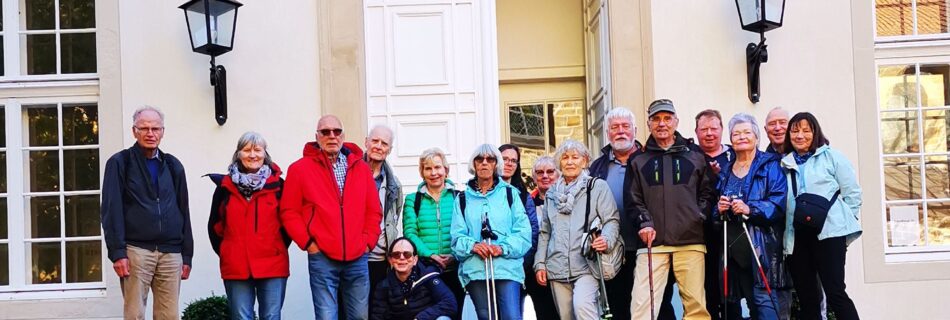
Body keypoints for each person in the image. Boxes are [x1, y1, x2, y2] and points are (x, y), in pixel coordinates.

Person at [279, 115, 383, 320]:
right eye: (325, 132)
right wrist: (308, 243)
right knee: (327, 317)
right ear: (317, 137)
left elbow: (373, 210)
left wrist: (368, 242)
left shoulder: (361, 168)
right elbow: (289, 212)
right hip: (322, 257)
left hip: (358, 256)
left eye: (337, 131)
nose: (332, 136)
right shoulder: (299, 169)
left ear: (343, 136)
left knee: (361, 316)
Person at [626, 99, 716, 320]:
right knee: (642, 308)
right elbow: (632, 198)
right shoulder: (638, 159)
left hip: (690, 240)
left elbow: (709, 192)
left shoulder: (695, 155)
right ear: (648, 124)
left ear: (676, 121)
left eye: (667, 118)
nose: (662, 124)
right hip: (652, 243)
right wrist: (644, 223)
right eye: (656, 119)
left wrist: (698, 216)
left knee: (696, 307)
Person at [101, 106, 193, 320]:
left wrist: (186, 254)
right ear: (134, 131)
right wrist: (118, 252)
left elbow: (183, 210)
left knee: (169, 316)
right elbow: (110, 209)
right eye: (144, 128)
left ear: (163, 132)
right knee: (135, 314)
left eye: (155, 128)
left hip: (171, 253)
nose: (150, 133)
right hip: (136, 251)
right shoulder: (120, 163)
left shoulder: (173, 165)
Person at [781, 112, 862, 320]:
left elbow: (852, 193)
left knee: (835, 293)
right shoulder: (784, 163)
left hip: (829, 235)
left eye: (806, 130)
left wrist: (843, 224)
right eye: (795, 130)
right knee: (807, 299)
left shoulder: (832, 157)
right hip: (797, 237)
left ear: (815, 132)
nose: (800, 135)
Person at [712, 114, 788, 320]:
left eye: (746, 132)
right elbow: (714, 214)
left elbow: (778, 204)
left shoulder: (771, 165)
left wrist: (749, 208)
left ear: (756, 137)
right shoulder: (726, 171)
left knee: (764, 306)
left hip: (762, 249)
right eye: (736, 134)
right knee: (738, 309)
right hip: (733, 254)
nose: (741, 137)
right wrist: (718, 209)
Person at [535, 139, 620, 320]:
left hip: (587, 264)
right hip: (556, 266)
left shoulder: (597, 187)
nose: (570, 162)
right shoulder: (551, 194)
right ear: (559, 162)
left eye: (575, 157)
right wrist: (540, 264)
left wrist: (606, 239)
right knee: (566, 317)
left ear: (585, 161)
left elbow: (611, 220)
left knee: (583, 307)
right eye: (565, 158)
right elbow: (545, 233)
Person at [207, 132, 288, 320]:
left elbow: (287, 225)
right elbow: (215, 227)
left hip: (273, 264)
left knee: (271, 316)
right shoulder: (224, 187)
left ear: (265, 154)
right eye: (247, 150)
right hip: (236, 265)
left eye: (258, 150)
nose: (253, 155)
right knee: (241, 317)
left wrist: (275, 246)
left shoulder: (279, 186)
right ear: (238, 154)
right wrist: (229, 251)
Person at [588, 107, 659, 320]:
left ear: (635, 130)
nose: (620, 131)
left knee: (654, 306)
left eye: (625, 126)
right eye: (615, 127)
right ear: (608, 133)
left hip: (646, 246)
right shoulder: (597, 167)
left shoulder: (650, 160)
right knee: (617, 307)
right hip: (612, 251)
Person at [451, 143, 532, 320]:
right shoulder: (462, 198)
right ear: (474, 164)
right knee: (486, 316)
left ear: (496, 164)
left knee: (511, 316)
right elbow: (456, 239)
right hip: (476, 268)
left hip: (506, 267)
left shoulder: (511, 194)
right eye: (479, 159)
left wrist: (502, 248)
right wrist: (473, 246)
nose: (484, 163)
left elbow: (524, 234)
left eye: (490, 159)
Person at [402, 147, 465, 316]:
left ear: (446, 170)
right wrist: (431, 255)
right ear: (422, 172)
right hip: (425, 270)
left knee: (455, 312)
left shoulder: (460, 197)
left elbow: (466, 232)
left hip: (455, 269)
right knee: (428, 314)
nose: (433, 172)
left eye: (437, 167)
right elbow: (410, 233)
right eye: (428, 168)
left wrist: (454, 255)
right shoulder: (412, 200)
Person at [692, 109, 738, 320]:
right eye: (704, 129)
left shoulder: (735, 154)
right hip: (700, 232)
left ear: (722, 130)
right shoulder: (690, 156)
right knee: (707, 287)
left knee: (732, 290)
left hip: (731, 231)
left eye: (714, 128)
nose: (709, 133)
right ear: (696, 131)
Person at [498, 144, 546, 319]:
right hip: (496, 265)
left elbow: (533, 230)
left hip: (524, 264)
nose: (509, 164)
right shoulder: (481, 192)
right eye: (505, 159)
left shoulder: (523, 195)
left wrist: (524, 260)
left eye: (514, 161)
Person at [370, 237, 458, 320]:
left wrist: (420, 318)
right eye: (396, 254)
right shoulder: (383, 286)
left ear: (415, 259)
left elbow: (450, 303)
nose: (402, 258)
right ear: (390, 260)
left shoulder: (428, 277)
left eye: (407, 254)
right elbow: (378, 316)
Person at [365, 124, 405, 303]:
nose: (379, 146)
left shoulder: (394, 185)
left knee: (379, 310)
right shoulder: (350, 175)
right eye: (375, 141)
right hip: (356, 257)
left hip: (382, 259)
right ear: (366, 142)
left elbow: (393, 218)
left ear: (390, 149)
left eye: (384, 143)